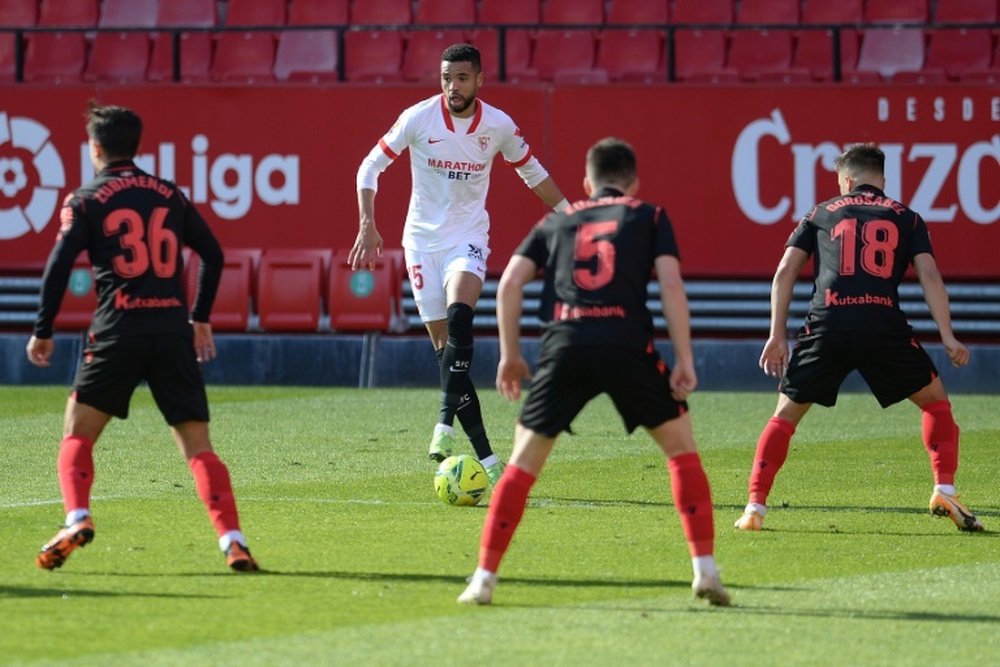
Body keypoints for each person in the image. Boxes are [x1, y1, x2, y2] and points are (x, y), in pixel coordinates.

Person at [457, 138, 730, 606]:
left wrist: (510, 354)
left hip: (566, 343)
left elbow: (510, 283)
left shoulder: (558, 219)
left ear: (587, 182)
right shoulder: (651, 216)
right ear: (633, 182)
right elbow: (670, 284)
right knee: (681, 451)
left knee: (522, 464)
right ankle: (705, 571)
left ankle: (482, 580)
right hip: (627, 342)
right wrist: (684, 357)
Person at [26, 101, 260, 572]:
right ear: (137, 144)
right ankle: (233, 541)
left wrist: (43, 330)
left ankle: (77, 517)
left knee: (77, 431)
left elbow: (57, 267)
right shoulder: (169, 194)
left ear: (94, 147)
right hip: (172, 330)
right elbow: (212, 254)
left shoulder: (86, 199)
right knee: (198, 445)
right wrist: (200, 317)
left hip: (117, 329)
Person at [734, 143, 983, 533]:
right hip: (882, 324)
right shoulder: (908, 217)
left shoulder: (819, 213)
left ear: (845, 180)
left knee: (784, 416)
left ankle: (754, 509)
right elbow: (930, 276)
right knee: (936, 404)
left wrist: (776, 335)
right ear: (882, 179)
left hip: (827, 324)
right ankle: (944, 487)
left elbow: (785, 271)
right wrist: (948, 336)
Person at [351, 43, 568, 486]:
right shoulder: (419, 117)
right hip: (421, 244)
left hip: (467, 239)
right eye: (447, 78)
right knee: (445, 351)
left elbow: (532, 172)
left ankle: (443, 423)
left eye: (462, 78)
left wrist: (572, 214)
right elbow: (368, 169)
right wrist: (367, 224)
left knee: (460, 319)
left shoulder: (498, 125)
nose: (453, 86)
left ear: (479, 80)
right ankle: (488, 460)